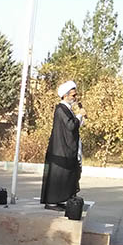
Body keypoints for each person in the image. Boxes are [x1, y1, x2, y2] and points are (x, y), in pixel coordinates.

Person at [41, 80, 84, 210]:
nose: (75, 98)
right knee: (58, 175)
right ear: (65, 95)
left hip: (65, 149)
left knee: (66, 176)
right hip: (60, 150)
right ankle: (51, 202)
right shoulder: (61, 109)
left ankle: (60, 199)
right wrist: (79, 115)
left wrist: (79, 117)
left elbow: (73, 125)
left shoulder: (67, 109)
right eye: (73, 95)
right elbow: (71, 125)